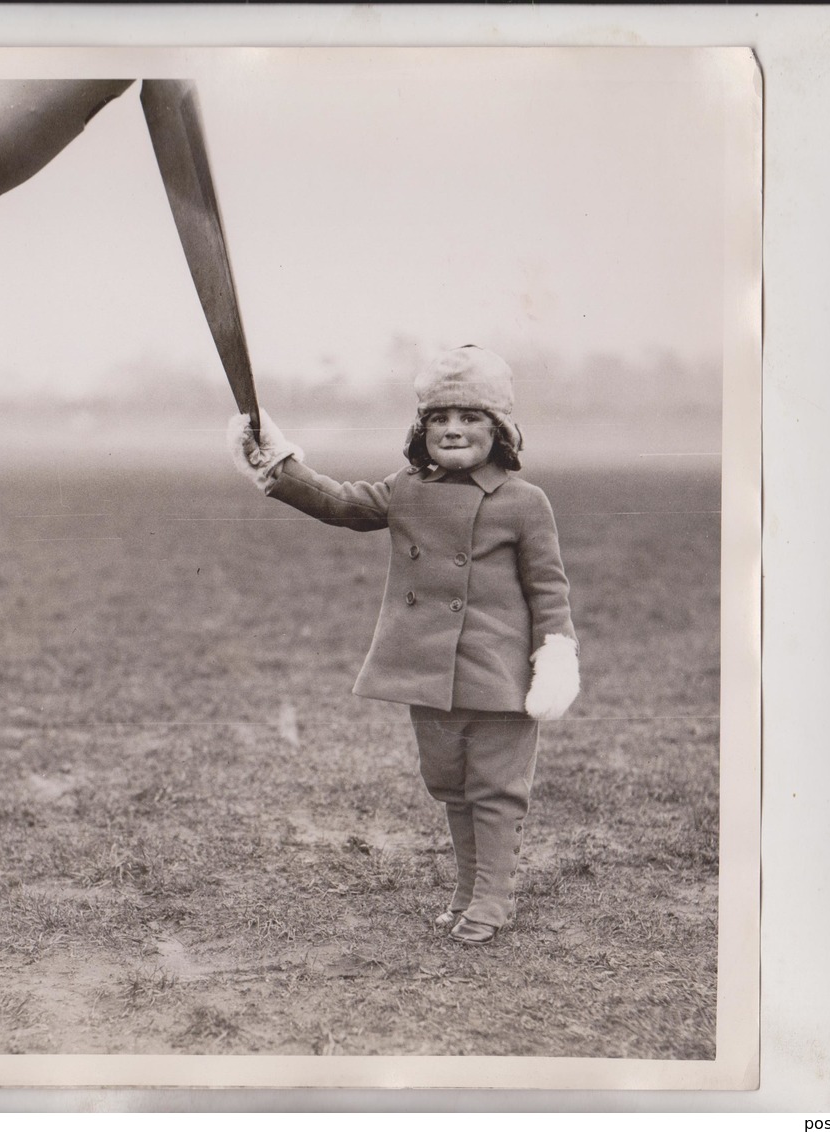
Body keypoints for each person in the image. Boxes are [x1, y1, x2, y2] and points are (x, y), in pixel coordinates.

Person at [229, 345, 580, 945]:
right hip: (427, 670)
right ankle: (468, 891)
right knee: (448, 784)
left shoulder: (526, 502)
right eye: (440, 418)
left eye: (471, 417)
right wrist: (278, 463)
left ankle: (492, 901)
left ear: (500, 431)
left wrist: (555, 655)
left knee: (495, 790)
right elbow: (341, 504)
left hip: (499, 674)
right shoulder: (406, 489)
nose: (453, 429)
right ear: (421, 429)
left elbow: (549, 588)